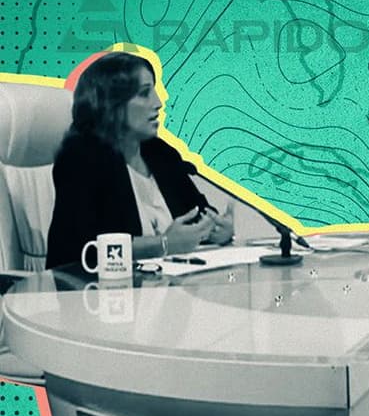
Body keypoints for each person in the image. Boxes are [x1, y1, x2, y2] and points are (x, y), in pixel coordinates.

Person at [46, 52, 234, 269]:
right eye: (145, 93)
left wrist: (218, 230)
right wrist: (163, 244)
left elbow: (197, 215)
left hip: (165, 284)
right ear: (112, 103)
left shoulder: (159, 153)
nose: (158, 103)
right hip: (95, 287)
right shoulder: (80, 160)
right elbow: (84, 250)